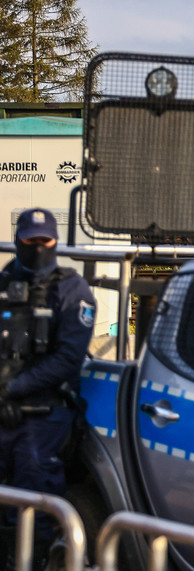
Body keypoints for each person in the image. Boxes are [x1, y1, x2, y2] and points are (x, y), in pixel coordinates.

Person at [0, 209, 95, 547]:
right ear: (18, 241)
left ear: (55, 242)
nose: (38, 248)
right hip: (5, 407)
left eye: (45, 241)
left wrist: (13, 389)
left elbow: (68, 360)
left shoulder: (72, 290)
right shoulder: (5, 281)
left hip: (45, 414)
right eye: (30, 241)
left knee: (32, 511)